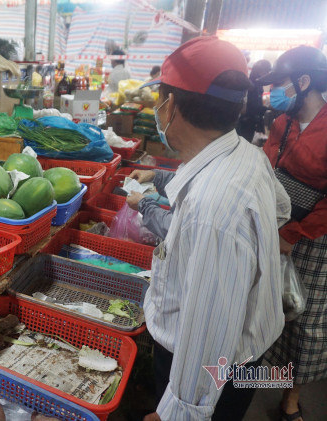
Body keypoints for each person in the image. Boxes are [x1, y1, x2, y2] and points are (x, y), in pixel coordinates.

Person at [137, 36, 291, 421]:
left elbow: (208, 332)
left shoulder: (214, 211)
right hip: (238, 359)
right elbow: (281, 209)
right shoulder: (246, 153)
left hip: (211, 376)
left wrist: (178, 413)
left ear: (170, 106)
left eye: (159, 99)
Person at [256, 45, 327, 421]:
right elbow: (267, 171)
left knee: (305, 318)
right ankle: (254, 378)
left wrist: (296, 234)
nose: (273, 93)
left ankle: (291, 398)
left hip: (314, 238)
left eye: (280, 84)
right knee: (270, 309)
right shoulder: (281, 124)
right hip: (274, 226)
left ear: (303, 82)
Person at [237, 59, 272, 142]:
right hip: (246, 121)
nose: (267, 75)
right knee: (243, 142)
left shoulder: (258, 85)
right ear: (261, 72)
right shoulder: (251, 86)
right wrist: (268, 109)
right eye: (266, 72)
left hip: (252, 121)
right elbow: (251, 107)